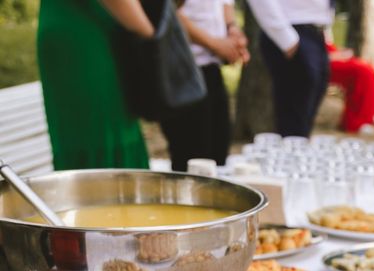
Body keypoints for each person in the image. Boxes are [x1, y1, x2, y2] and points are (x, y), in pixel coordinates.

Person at [38, 0, 153, 170]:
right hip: (87, 34)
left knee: (94, 134)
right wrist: (151, 33)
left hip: (80, 28)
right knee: (103, 134)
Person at [160, 0, 249, 170]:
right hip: (182, 69)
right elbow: (166, 10)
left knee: (218, 156)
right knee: (191, 162)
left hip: (212, 68)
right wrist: (215, 44)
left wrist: (232, 30)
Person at [246, 0, 332, 137]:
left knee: (304, 120)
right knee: (293, 124)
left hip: (316, 33)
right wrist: (286, 38)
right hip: (292, 31)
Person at [326, 42, 374, 135]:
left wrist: (340, 53)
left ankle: (370, 114)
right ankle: (355, 122)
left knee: (370, 68)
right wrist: (338, 55)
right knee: (362, 72)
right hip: (323, 63)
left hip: (331, 55)